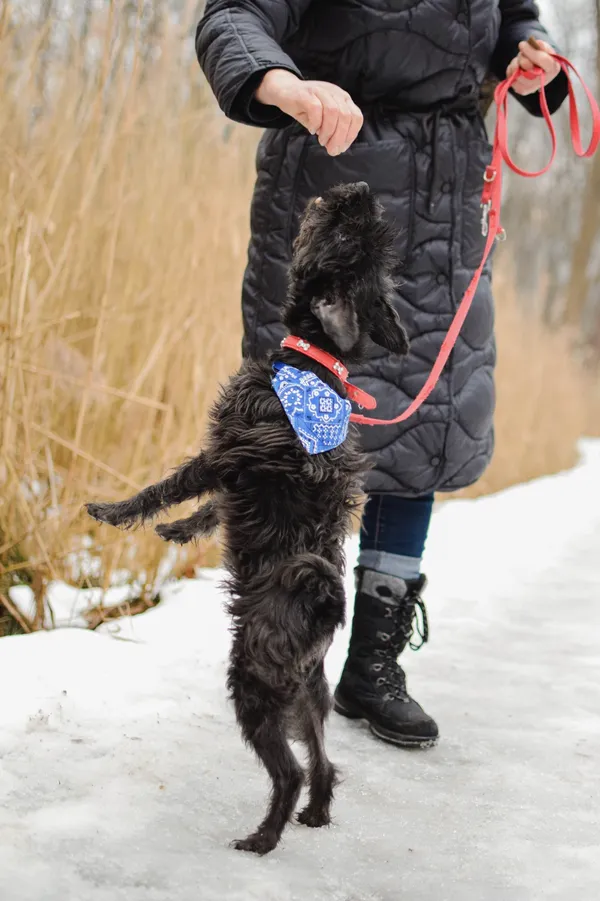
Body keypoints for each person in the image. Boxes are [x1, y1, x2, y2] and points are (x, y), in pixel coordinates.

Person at [195, 1, 566, 748]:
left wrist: (528, 51)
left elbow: (511, 17)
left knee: (424, 430)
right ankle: (284, 655)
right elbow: (234, 14)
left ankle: (374, 664)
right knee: (304, 437)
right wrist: (282, 83)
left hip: (450, 203)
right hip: (336, 196)